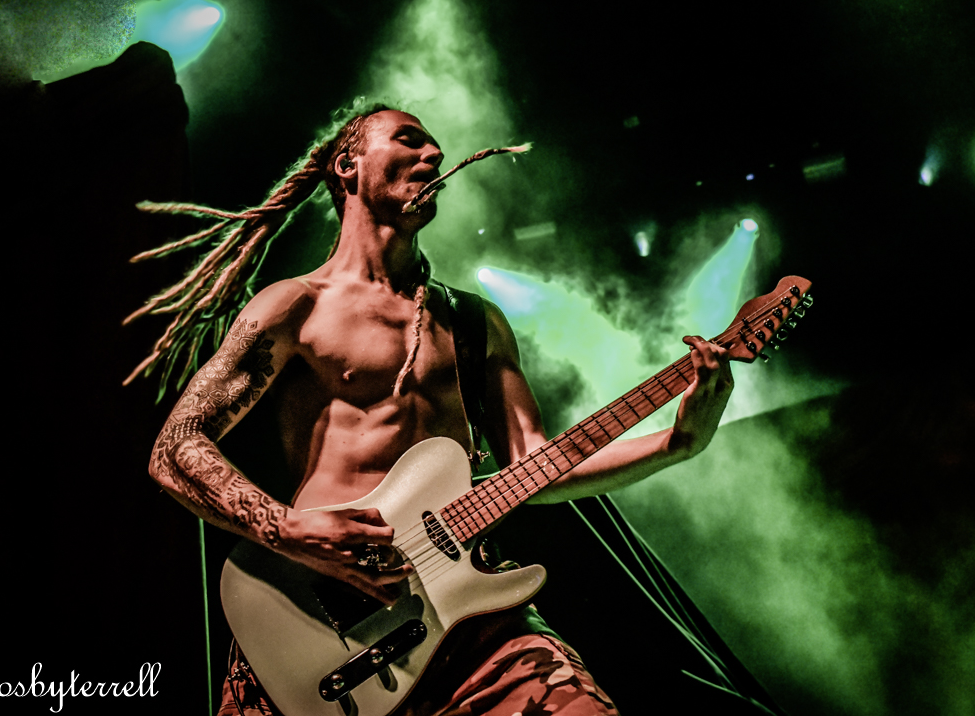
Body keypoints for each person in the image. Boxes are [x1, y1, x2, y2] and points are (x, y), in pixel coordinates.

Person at [138, 104, 735, 715]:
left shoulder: (474, 321)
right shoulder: (296, 306)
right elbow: (176, 444)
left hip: (473, 622)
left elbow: (534, 465)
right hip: (316, 632)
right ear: (348, 165)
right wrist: (288, 531)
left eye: (435, 148)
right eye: (409, 140)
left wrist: (676, 443)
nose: (435, 155)